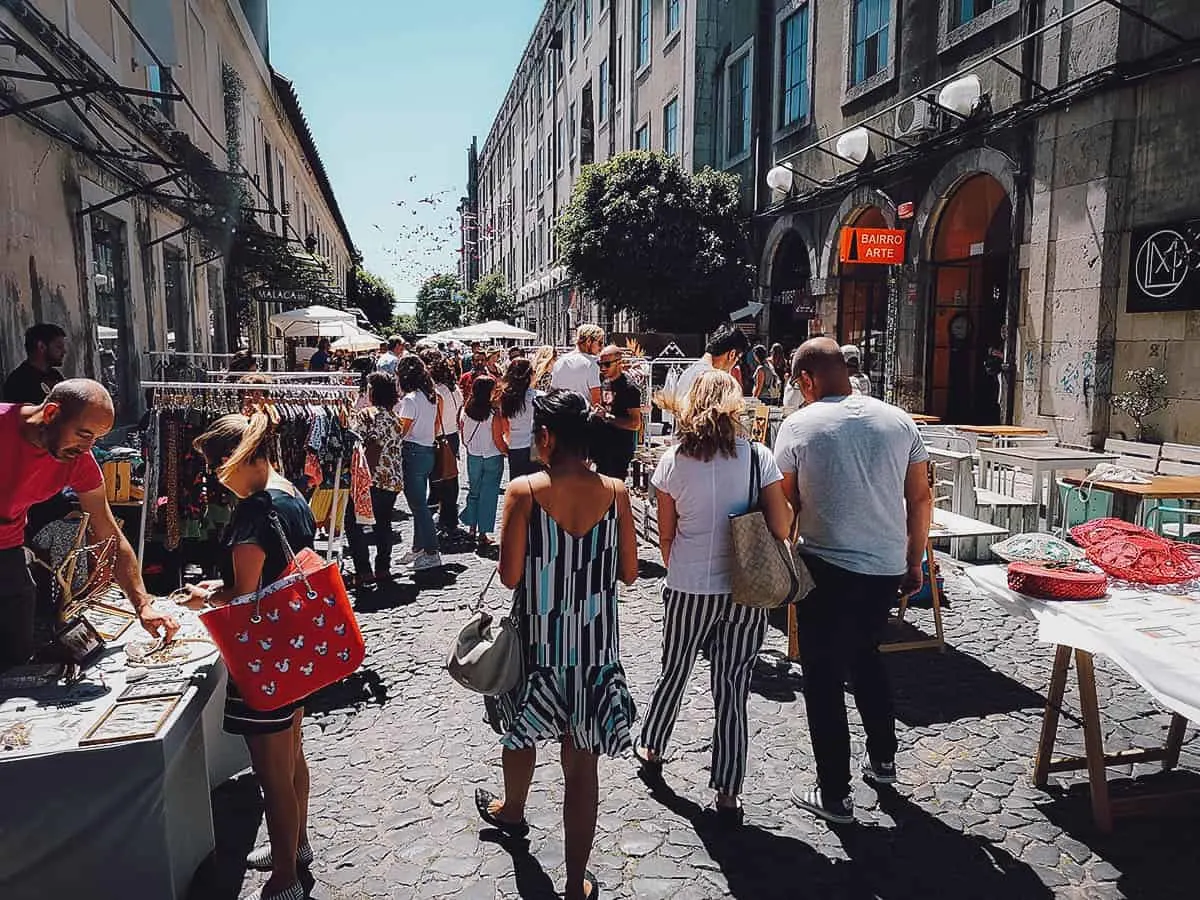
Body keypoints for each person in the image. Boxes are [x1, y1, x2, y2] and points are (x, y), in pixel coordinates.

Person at [475, 390, 638, 900]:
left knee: (520, 736)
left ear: (544, 437)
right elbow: (631, 573)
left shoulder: (523, 491)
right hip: (592, 649)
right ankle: (573, 885)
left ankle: (513, 810)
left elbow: (509, 577)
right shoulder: (616, 492)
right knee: (581, 765)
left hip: (538, 647)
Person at [774, 338, 932, 824]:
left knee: (821, 676)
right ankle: (883, 760)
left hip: (825, 566)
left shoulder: (798, 425)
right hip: (884, 566)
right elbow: (921, 498)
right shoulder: (898, 420)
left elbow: (783, 507)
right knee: (867, 657)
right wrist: (914, 562)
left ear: (804, 381)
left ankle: (835, 792)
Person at [636, 371, 792, 822]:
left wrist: (682, 564)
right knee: (733, 685)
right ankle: (728, 789)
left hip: (689, 583)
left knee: (675, 669)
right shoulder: (757, 458)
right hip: (745, 589)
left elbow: (665, 536)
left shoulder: (674, 460)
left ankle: (653, 745)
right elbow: (780, 528)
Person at [186, 412, 319, 900]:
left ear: (233, 460)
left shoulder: (254, 512)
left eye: (213, 468)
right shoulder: (291, 494)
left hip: (265, 657)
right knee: (292, 755)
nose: (213, 479)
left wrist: (205, 596)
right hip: (298, 646)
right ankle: (296, 847)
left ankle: (285, 878)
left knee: (272, 774)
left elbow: (245, 597)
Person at [0, 380, 178, 669]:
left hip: (8, 553)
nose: (87, 448)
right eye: (83, 435)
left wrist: (143, 605)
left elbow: (108, 533)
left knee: (15, 661)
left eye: (95, 439)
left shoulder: (79, 460)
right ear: (51, 413)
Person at [344, 373, 405, 584]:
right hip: (391, 479)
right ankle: (383, 568)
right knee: (383, 524)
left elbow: (352, 440)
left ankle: (364, 571)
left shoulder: (365, 415)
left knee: (353, 523)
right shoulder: (395, 418)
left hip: (368, 478)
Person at [396, 356, 443, 570]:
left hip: (413, 451)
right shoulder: (431, 397)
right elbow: (433, 426)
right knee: (419, 504)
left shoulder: (410, 400)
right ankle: (419, 547)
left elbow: (402, 431)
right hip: (427, 450)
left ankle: (432, 551)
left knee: (418, 505)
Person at [459, 375, 508, 550]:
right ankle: (483, 533)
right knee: (489, 495)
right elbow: (498, 440)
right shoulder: (494, 414)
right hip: (492, 457)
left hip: (473, 456)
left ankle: (471, 527)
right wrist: (507, 452)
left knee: (474, 491)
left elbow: (463, 436)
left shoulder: (466, 410)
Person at [663, 325, 749, 418]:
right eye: (738, 358)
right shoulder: (713, 379)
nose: (735, 364)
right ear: (732, 354)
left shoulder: (689, 372)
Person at [422, 349, 464, 538]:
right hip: (452, 435)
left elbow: (436, 421)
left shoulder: (438, 393)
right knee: (450, 478)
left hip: (440, 437)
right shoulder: (456, 390)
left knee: (439, 480)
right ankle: (448, 517)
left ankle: (443, 518)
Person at [591, 346, 642, 480]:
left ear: (619, 363)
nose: (602, 368)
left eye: (607, 364)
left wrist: (608, 417)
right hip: (602, 445)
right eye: (600, 364)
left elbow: (635, 423)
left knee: (614, 489)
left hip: (619, 449)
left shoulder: (630, 388)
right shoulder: (604, 381)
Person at [4, 323, 67, 404]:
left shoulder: (55, 375)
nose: (64, 351)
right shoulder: (18, 382)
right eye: (59, 347)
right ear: (41, 346)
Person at [497, 358, 537, 479]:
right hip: (535, 446)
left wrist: (508, 441)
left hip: (516, 445)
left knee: (518, 486)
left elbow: (505, 426)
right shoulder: (539, 396)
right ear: (530, 375)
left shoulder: (505, 398)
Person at [550, 323, 604, 407]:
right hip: (583, 416)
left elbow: (553, 392)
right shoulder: (591, 364)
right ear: (589, 341)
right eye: (599, 343)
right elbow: (596, 401)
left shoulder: (559, 362)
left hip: (561, 414)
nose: (601, 347)